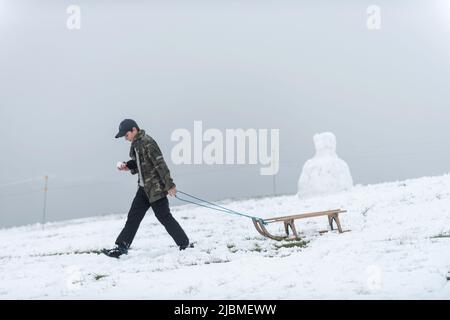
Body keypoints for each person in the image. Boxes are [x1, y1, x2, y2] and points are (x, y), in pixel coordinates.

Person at [102, 119, 191, 258]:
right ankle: (121, 247)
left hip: (155, 190)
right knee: (133, 217)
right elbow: (140, 163)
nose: (125, 139)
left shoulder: (148, 143)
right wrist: (128, 166)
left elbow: (160, 164)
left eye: (126, 135)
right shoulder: (136, 144)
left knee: (164, 217)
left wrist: (170, 185)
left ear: (134, 130)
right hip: (144, 189)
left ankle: (184, 244)